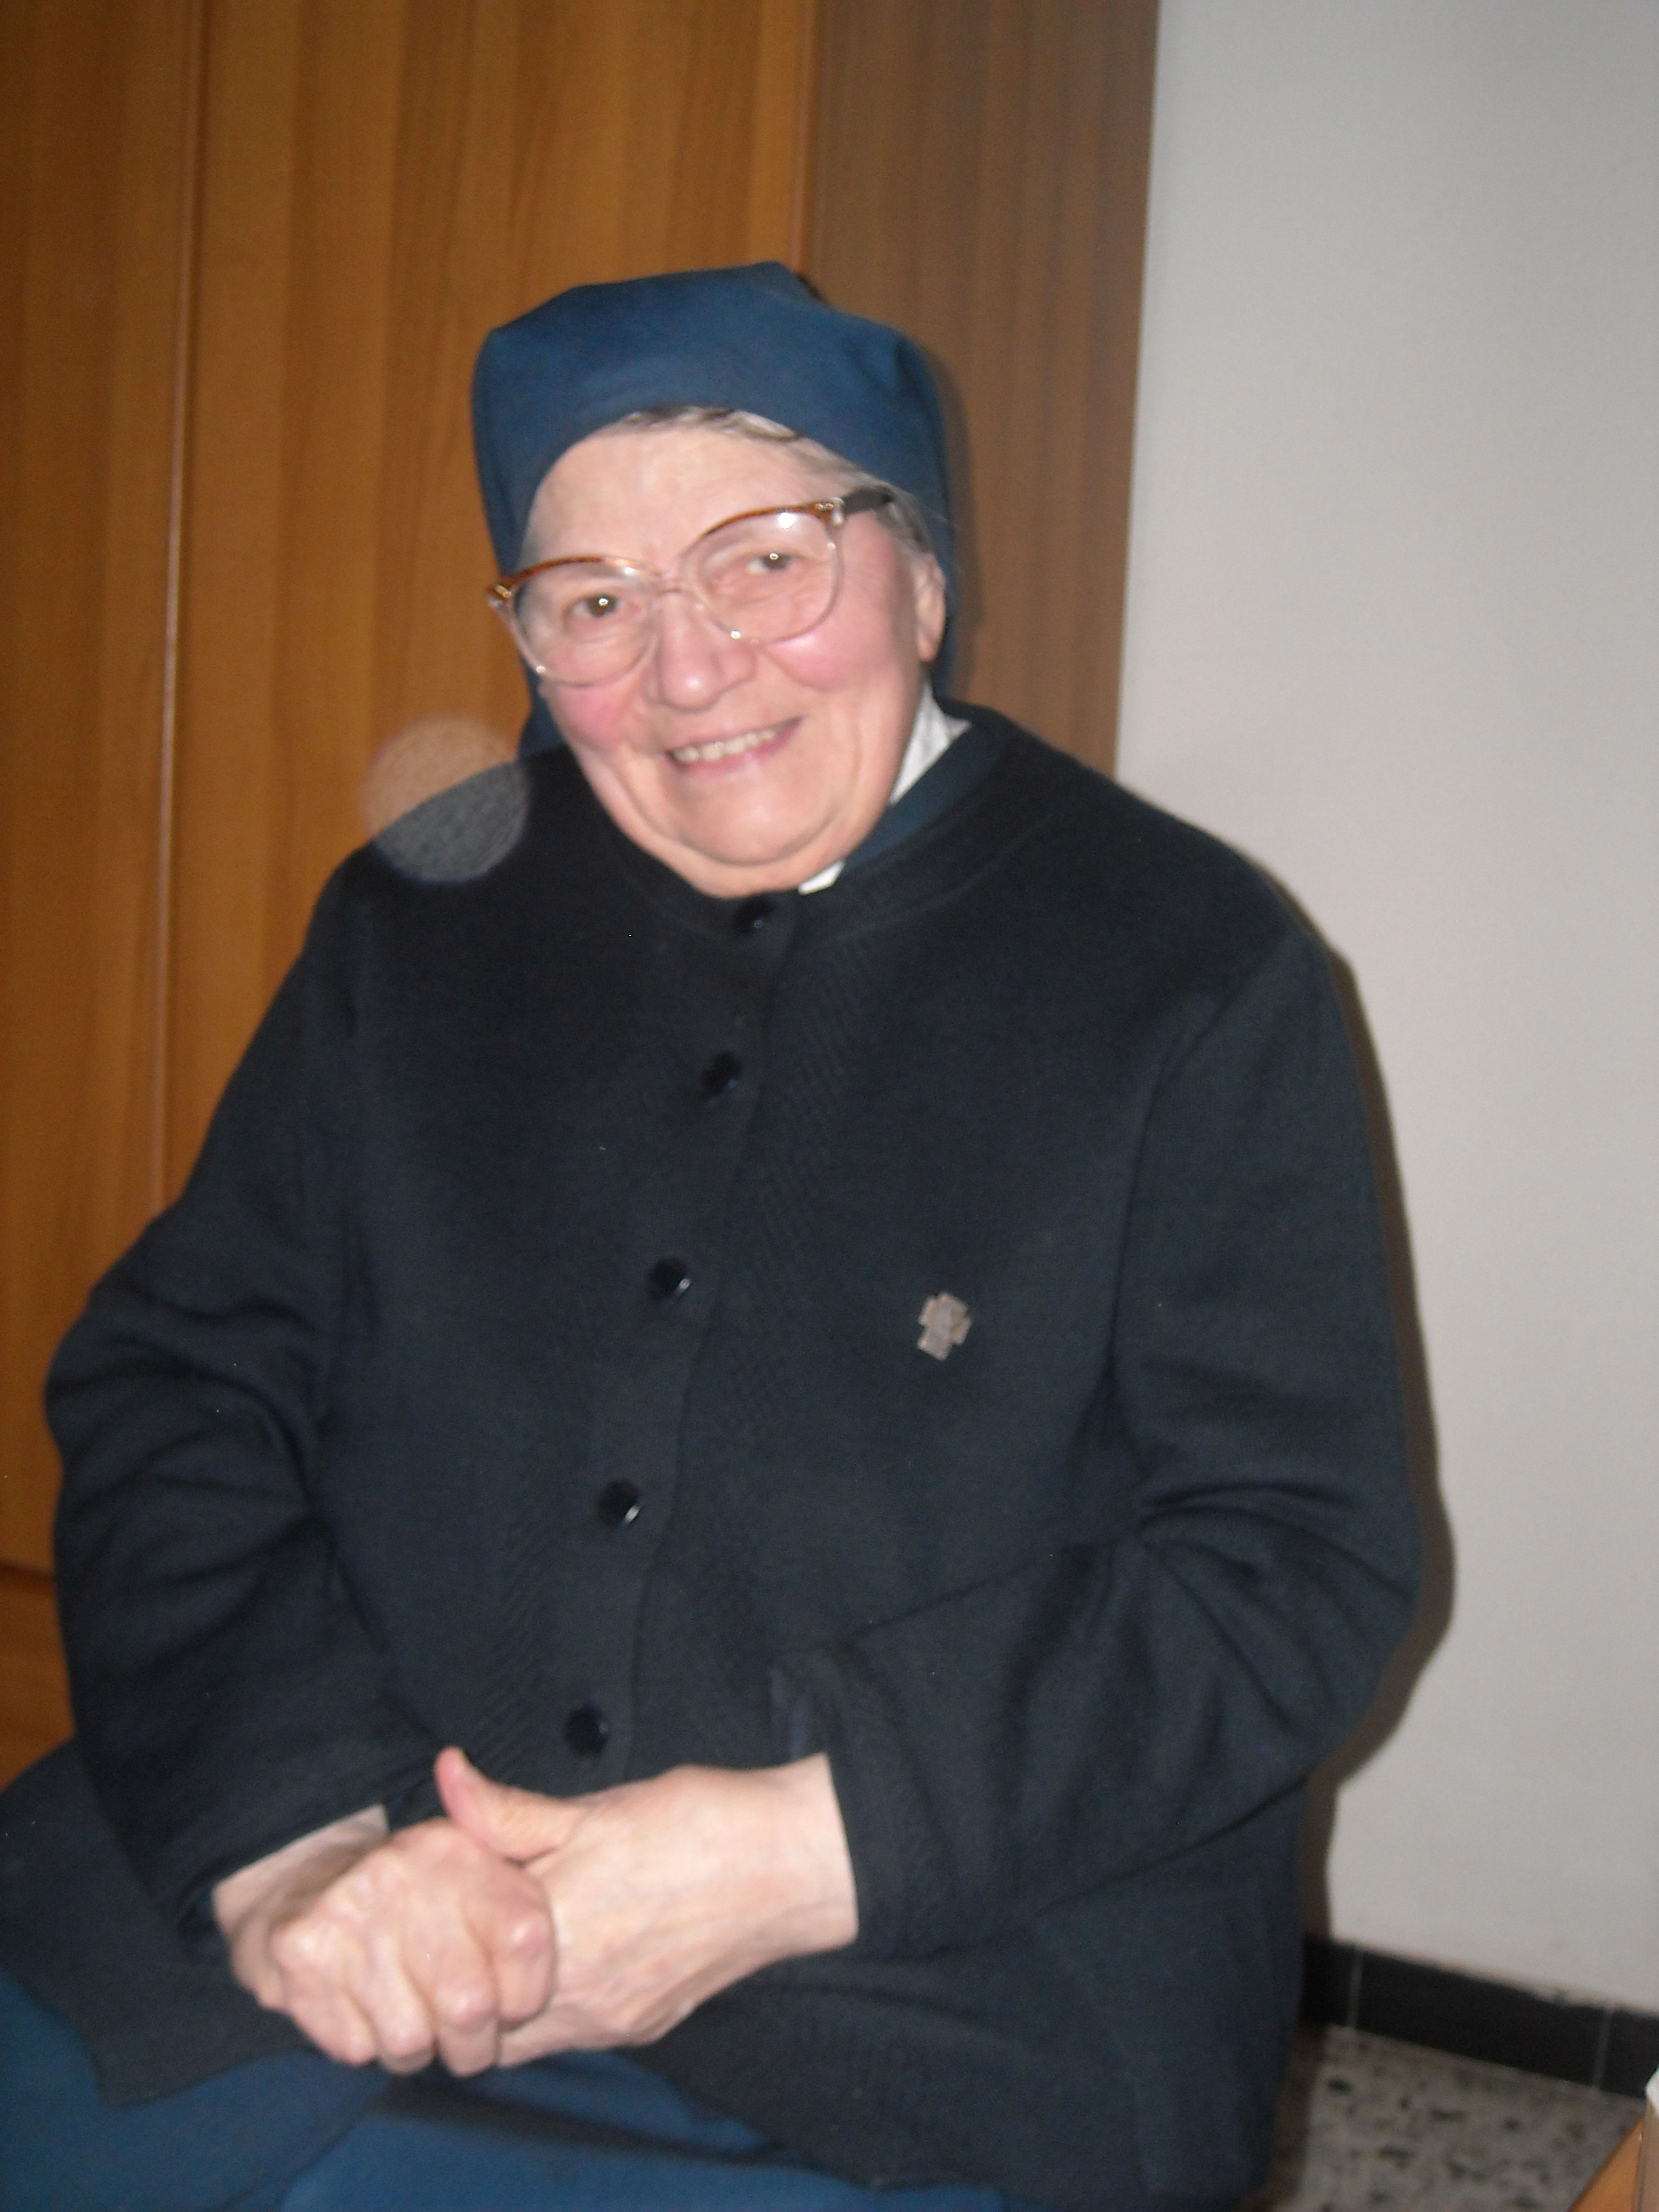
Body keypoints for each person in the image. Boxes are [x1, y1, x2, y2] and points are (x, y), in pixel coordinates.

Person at [0, 264, 1418, 2212]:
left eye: (764, 560)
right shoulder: (414, 925)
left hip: (935, 1995)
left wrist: (801, 1850)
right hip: (345, 1909)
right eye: (594, 602)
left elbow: (1294, 1563)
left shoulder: (1194, 969)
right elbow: (177, 1384)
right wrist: (294, 1840)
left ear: (922, 577)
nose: (687, 671)